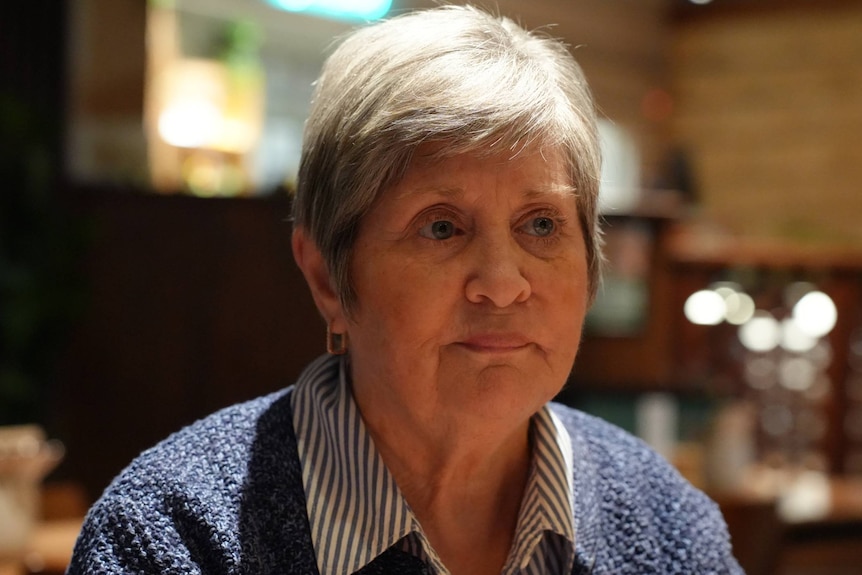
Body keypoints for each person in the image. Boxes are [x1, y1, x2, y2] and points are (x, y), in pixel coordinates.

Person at [68, 5, 743, 574]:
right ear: (327, 275)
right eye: (441, 227)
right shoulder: (173, 534)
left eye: (541, 224)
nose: (503, 284)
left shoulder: (667, 526)